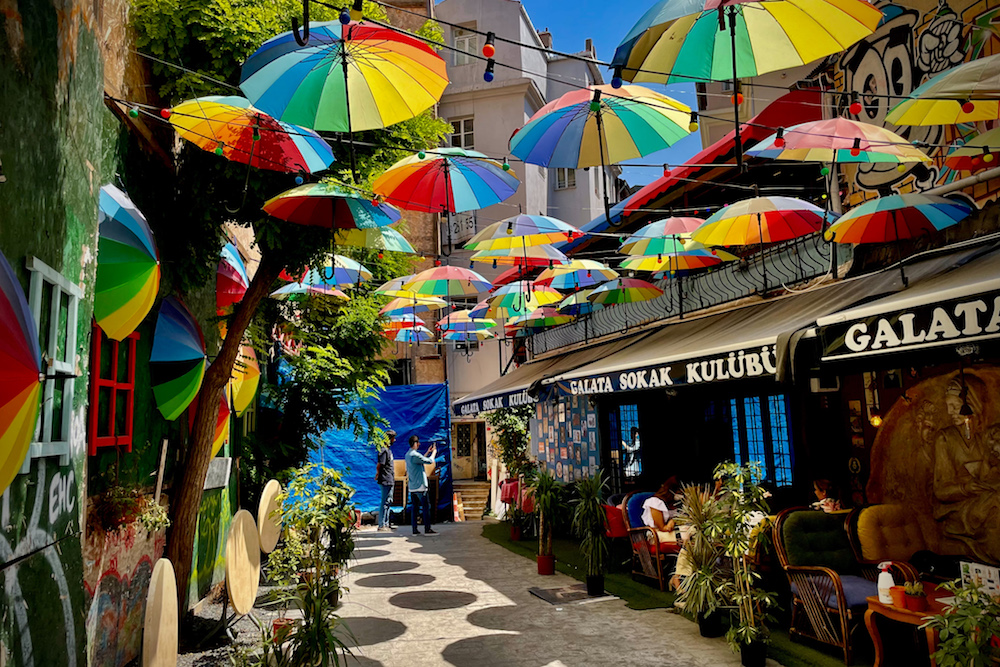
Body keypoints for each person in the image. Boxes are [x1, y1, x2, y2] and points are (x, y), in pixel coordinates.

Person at [405, 435, 437, 535]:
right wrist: (434, 453)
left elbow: (421, 459)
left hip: (412, 486)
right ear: (414, 443)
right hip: (420, 486)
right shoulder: (415, 455)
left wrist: (427, 452)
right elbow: (429, 461)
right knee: (426, 507)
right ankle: (427, 528)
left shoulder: (408, 454)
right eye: (417, 442)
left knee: (414, 508)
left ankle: (415, 529)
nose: (419, 444)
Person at [641, 479, 681, 545]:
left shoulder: (675, 504)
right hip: (656, 534)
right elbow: (663, 528)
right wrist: (672, 521)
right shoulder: (655, 502)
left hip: (673, 531)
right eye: (680, 492)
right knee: (687, 536)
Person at [375, 430, 396, 532]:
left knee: (388, 501)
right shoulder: (383, 451)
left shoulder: (388, 451)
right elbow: (380, 465)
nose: (394, 440)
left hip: (390, 479)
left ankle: (386, 523)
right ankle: (381, 524)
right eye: (393, 438)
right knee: (384, 502)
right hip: (385, 479)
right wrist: (377, 474)